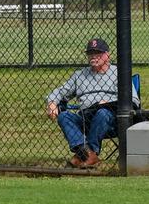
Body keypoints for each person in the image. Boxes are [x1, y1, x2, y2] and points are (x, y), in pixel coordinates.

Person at [45, 38, 135, 169]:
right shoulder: (79, 75)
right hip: (85, 119)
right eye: (90, 53)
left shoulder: (119, 74)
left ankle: (85, 155)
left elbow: (133, 99)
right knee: (64, 116)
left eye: (97, 53)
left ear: (107, 55)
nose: (93, 56)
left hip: (111, 120)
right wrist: (52, 103)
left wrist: (109, 103)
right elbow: (60, 91)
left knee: (102, 112)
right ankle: (87, 153)